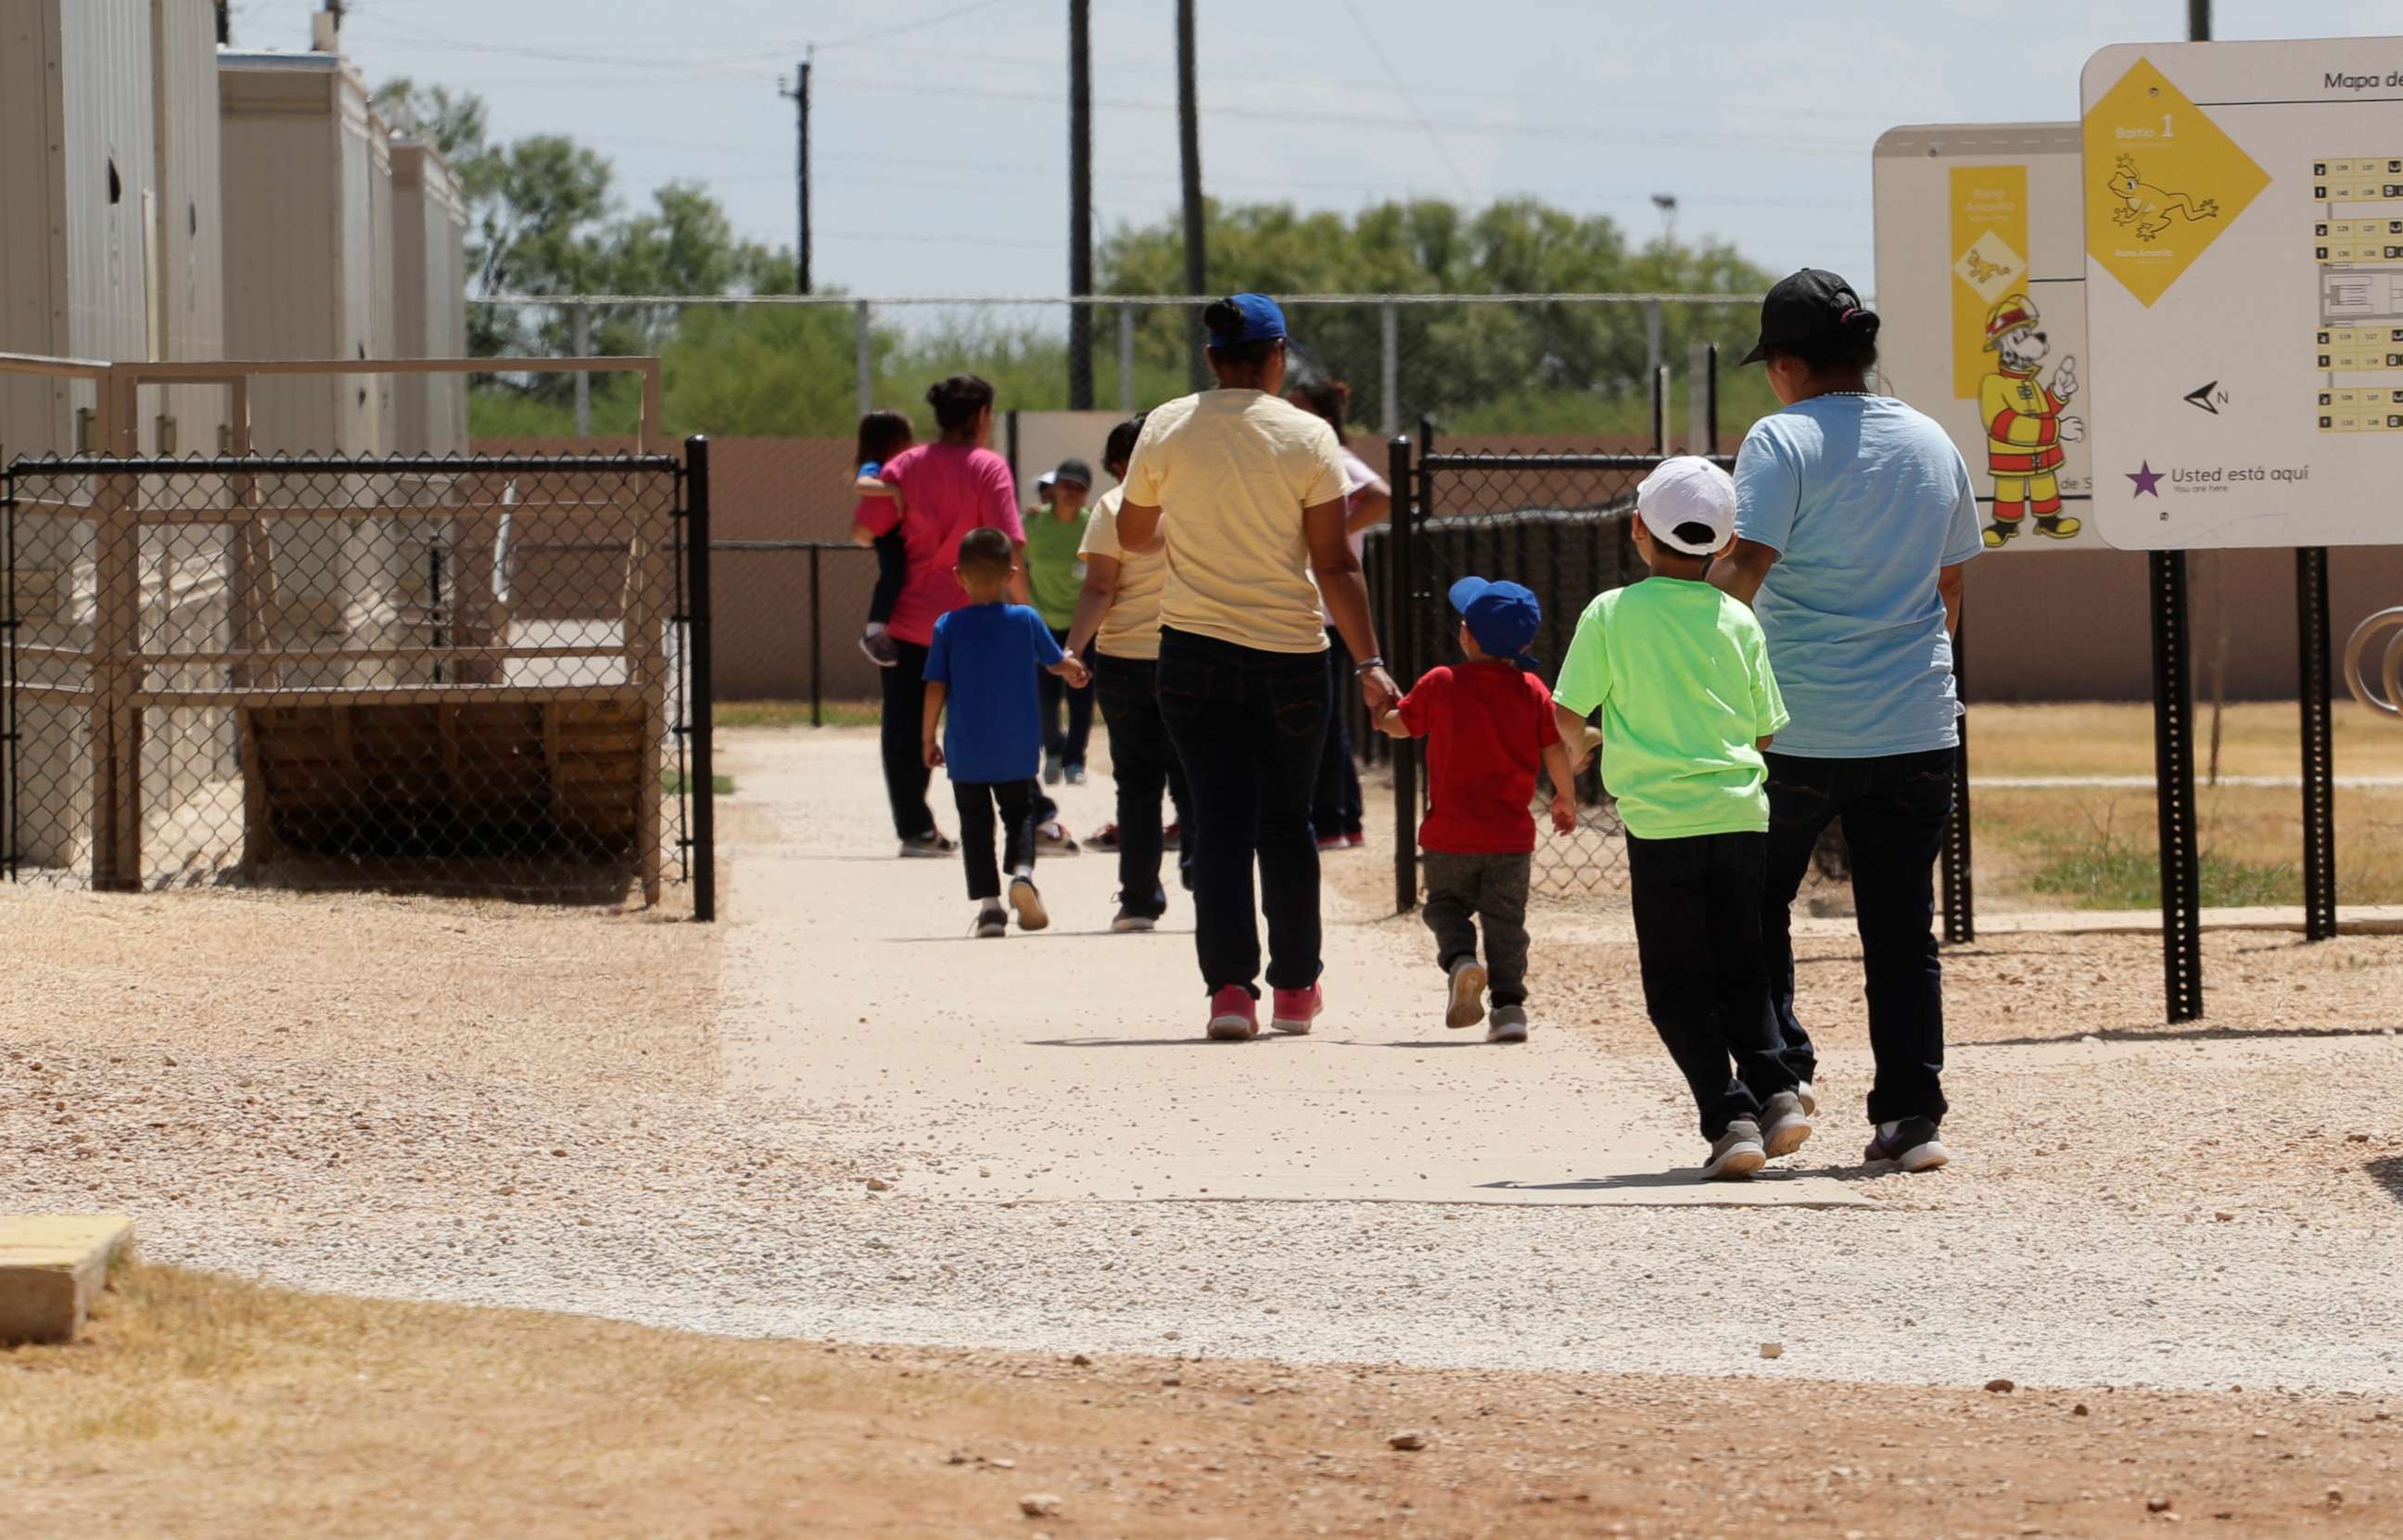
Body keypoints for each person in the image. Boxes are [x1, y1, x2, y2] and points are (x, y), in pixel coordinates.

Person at [1709, 270, 1983, 1175]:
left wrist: (1703, 671)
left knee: (1753, 904)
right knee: (1902, 927)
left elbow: (1746, 566)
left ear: (1785, 362)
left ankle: (1780, 1077)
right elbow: (1949, 585)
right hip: (1915, 725)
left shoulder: (1780, 440)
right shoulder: (1932, 438)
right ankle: (1911, 1115)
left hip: (1790, 727)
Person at [1116, 293, 1401, 1041]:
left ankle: (1229, 992)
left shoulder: (1165, 427)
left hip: (1190, 649)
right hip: (1290, 655)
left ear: (1211, 358)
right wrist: (1369, 661)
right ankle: (1297, 988)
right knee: (1285, 823)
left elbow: (1134, 532)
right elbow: (1335, 560)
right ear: (1278, 357)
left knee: (1216, 824)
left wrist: (1190, 524)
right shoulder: (1307, 436)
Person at [1553, 458, 1810, 1180]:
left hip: (1662, 824)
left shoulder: (1610, 612)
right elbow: (1764, 730)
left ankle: (1728, 1116)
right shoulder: (1738, 618)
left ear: (1638, 529)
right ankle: (1778, 1090)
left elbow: (1567, 709)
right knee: (1742, 966)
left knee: (1675, 983)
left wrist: (1583, 748)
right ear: (1725, 546)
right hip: (1739, 815)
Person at [1376, 578, 1575, 1044]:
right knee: (1506, 921)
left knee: (1444, 906)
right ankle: (1509, 1009)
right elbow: (1555, 750)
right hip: (1510, 838)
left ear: (1465, 635)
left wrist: (1380, 713)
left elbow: (1400, 726)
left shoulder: (1442, 682)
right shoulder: (1531, 689)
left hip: (1449, 835)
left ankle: (1463, 960)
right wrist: (1565, 798)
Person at [857, 375, 1026, 859]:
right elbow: (1008, 543)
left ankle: (914, 828)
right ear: (979, 417)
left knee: (906, 723)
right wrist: (1025, 609)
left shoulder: (905, 465)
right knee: (982, 720)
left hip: (910, 621)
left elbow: (865, 532)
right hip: (977, 618)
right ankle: (1009, 818)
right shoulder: (988, 467)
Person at [922, 528, 1090, 937]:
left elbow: (936, 686)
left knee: (975, 825)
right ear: (1012, 573)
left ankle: (990, 909)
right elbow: (1055, 662)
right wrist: (1076, 670)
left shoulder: (948, 626)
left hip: (967, 751)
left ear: (959, 575)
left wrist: (928, 738)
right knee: (1020, 815)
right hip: (1016, 748)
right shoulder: (1025, 619)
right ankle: (1022, 875)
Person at [1062, 414, 1195, 932]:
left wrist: (1073, 648)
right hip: (1189, 652)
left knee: (1137, 782)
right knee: (1194, 775)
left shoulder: (1114, 507)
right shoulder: (1195, 505)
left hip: (1123, 663)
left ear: (1122, 464)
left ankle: (1139, 899)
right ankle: (1203, 872)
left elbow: (1100, 588)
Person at [1289, 379, 1392, 852]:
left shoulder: (1330, 453)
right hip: (1324, 610)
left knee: (1320, 721)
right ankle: (1345, 818)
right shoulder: (1313, 457)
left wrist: (1328, 534)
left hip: (1327, 613)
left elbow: (1382, 496)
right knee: (1327, 719)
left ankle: (1331, 821)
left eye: (1298, 408)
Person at [1024, 457, 1098, 786]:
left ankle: (1074, 760)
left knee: (1081, 693)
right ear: (1052, 489)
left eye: (1079, 487)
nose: (1071, 492)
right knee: (1046, 695)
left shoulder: (1092, 524)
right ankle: (1052, 750)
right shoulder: (1033, 524)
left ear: (1086, 495)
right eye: (1065, 485)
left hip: (1082, 624)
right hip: (1043, 622)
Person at [847, 410, 916, 668]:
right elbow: (861, 484)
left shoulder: (901, 466)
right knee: (893, 575)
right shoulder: (875, 465)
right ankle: (874, 632)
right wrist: (892, 490)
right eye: (906, 437)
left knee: (901, 575)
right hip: (887, 535)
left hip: (898, 533)